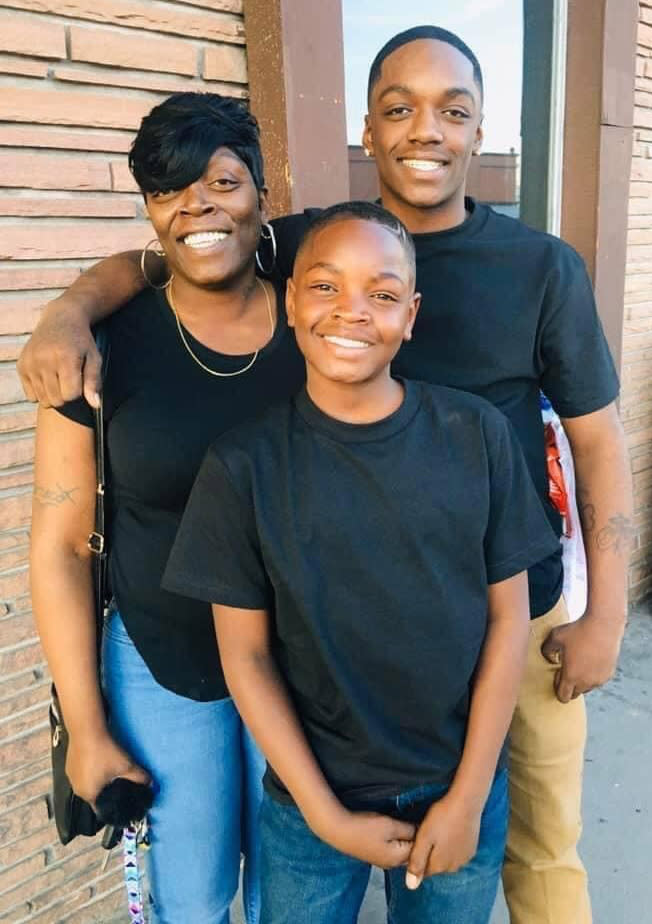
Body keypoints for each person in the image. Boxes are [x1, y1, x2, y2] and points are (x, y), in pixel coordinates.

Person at [20, 26, 632, 924]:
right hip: (278, 646)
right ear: (367, 130)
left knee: (538, 856)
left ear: (480, 129)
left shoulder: (540, 268)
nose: (426, 131)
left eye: (452, 112)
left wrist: (604, 614)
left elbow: (600, 442)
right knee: (271, 876)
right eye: (399, 110)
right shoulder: (315, 245)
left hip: (504, 609)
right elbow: (181, 248)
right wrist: (71, 308)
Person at [162, 201, 561, 924]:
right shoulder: (244, 465)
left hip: (460, 784)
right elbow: (245, 658)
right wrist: (325, 815)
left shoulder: (477, 437)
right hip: (310, 807)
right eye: (325, 286)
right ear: (291, 303)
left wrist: (469, 796)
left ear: (410, 316)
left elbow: (509, 619)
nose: (351, 311)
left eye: (380, 294)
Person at [29, 92, 307, 924]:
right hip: (160, 665)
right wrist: (86, 724)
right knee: (188, 898)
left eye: (223, 180)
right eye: (169, 190)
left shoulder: (319, 317)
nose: (199, 206)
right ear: (150, 210)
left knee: (291, 895)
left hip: (305, 665)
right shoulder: (99, 349)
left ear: (262, 194)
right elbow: (61, 546)